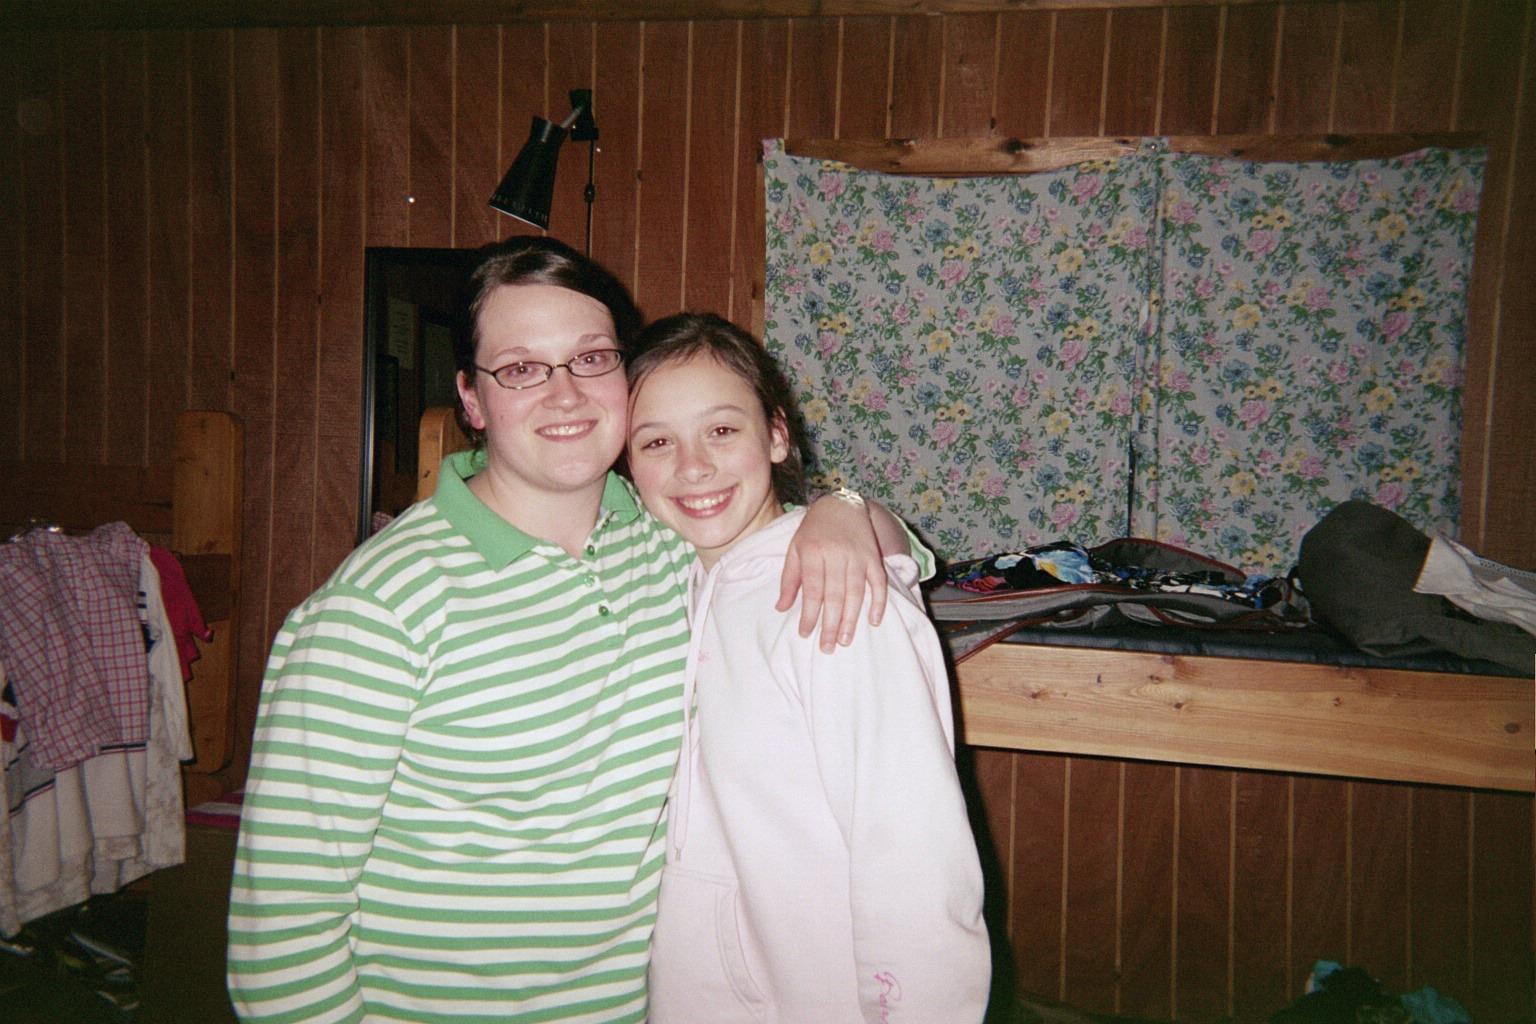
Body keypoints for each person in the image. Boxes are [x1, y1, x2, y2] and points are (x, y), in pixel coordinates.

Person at [226, 238, 915, 1024]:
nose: (565, 394)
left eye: (590, 358)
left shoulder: (676, 543)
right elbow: (282, 935)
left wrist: (845, 510)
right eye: (522, 368)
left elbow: (904, 557)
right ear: (472, 398)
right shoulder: (378, 609)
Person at [625, 313, 991, 1023]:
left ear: (777, 435)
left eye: (721, 430)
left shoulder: (832, 595)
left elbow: (914, 858)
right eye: (657, 441)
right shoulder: (677, 575)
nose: (692, 466)